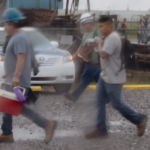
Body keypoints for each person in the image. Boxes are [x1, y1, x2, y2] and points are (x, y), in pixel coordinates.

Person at [85, 16, 148, 139]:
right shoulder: (108, 38)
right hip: (105, 76)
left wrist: (98, 44)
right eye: (99, 26)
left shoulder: (112, 38)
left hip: (114, 77)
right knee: (99, 100)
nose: (100, 29)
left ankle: (139, 119)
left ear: (109, 26)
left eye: (102, 26)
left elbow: (103, 54)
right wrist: (97, 42)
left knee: (116, 103)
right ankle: (101, 128)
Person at [0, 8, 57, 143]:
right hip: (13, 80)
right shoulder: (18, 36)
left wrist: (16, 76)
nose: (4, 27)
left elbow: (21, 58)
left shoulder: (19, 38)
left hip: (17, 81)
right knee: (7, 107)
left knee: (16, 107)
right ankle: (7, 133)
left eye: (5, 24)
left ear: (12, 23)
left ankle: (47, 124)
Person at [64, 12, 102, 102]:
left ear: (90, 23)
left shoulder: (97, 32)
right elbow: (81, 47)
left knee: (85, 77)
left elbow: (102, 43)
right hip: (88, 60)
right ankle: (108, 97)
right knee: (100, 80)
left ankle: (74, 95)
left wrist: (93, 44)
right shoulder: (85, 34)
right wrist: (74, 56)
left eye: (84, 24)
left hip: (94, 60)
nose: (83, 26)